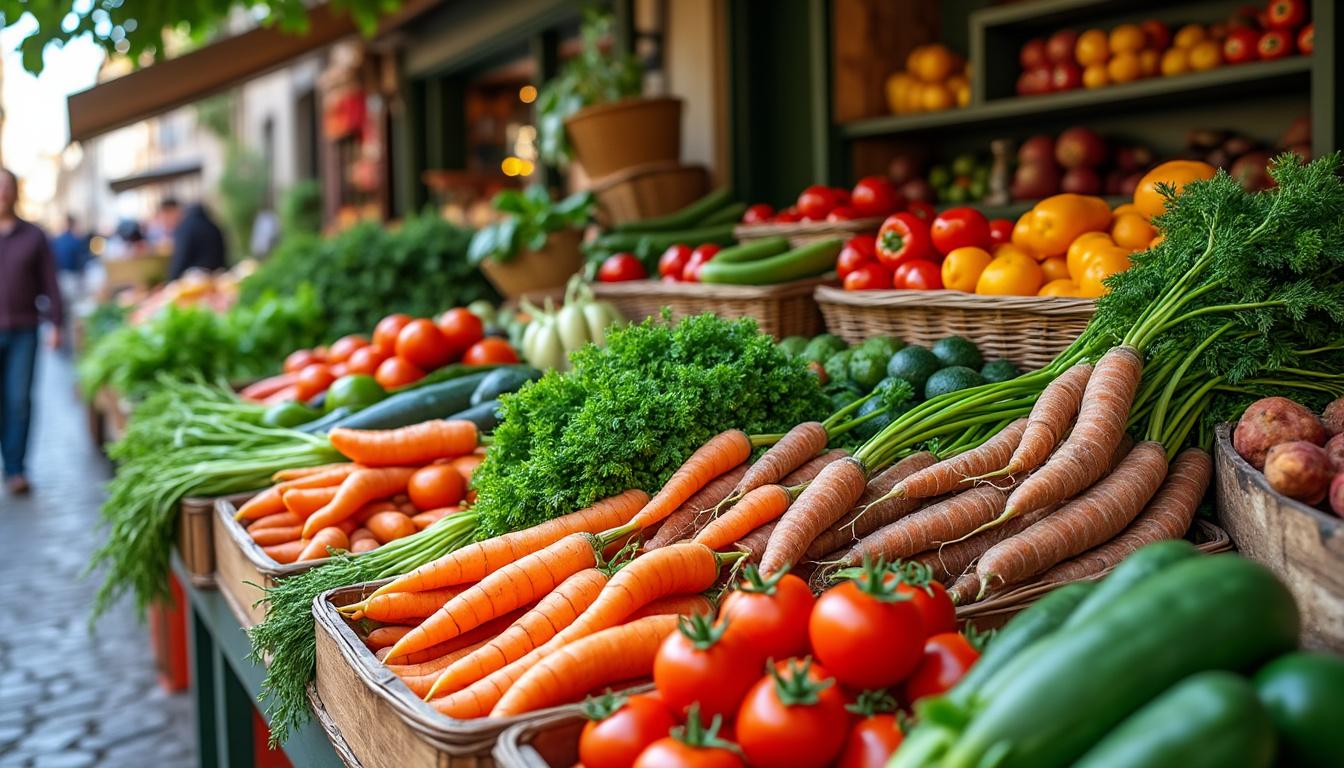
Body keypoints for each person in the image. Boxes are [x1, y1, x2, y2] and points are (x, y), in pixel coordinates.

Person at [0, 168, 62, 495]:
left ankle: (15, 469)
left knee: (19, 399)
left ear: (14, 192)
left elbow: (51, 282)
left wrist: (57, 323)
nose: (1, 193)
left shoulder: (33, 236)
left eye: (6, 186)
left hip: (25, 329)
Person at [159, 198, 227, 280]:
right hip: (219, 273)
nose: (165, 222)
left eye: (165, 218)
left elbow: (180, 259)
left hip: (199, 278)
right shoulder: (208, 221)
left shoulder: (185, 228)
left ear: (171, 211)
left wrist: (170, 280)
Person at [49, 215, 91, 336]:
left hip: (60, 277)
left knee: (64, 308)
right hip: (72, 277)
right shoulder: (74, 240)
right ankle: (73, 335)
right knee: (74, 310)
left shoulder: (58, 240)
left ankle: (65, 333)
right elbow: (81, 261)